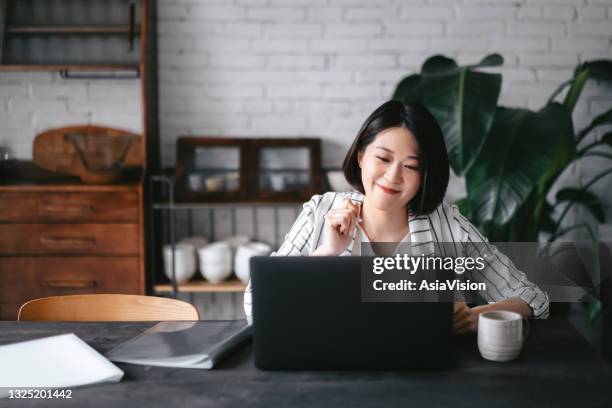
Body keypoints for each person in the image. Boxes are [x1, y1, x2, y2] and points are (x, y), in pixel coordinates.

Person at [243, 100, 549, 333]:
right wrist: (327, 252)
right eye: (383, 158)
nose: (393, 177)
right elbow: (257, 304)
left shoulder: (448, 225)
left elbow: (532, 299)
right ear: (361, 156)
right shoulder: (319, 212)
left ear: (425, 175)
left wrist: (473, 317)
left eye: (411, 166)